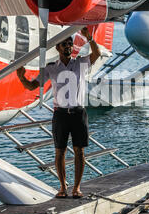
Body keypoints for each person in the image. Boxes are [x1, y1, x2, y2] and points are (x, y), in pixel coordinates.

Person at [17, 27, 101, 199]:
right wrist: (21, 77)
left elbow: (97, 54)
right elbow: (32, 86)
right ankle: (62, 187)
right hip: (60, 114)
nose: (68, 46)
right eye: (64, 44)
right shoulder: (51, 68)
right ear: (58, 48)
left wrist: (89, 38)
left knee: (79, 151)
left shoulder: (80, 63)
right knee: (59, 151)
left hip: (78, 113)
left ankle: (76, 188)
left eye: (70, 43)